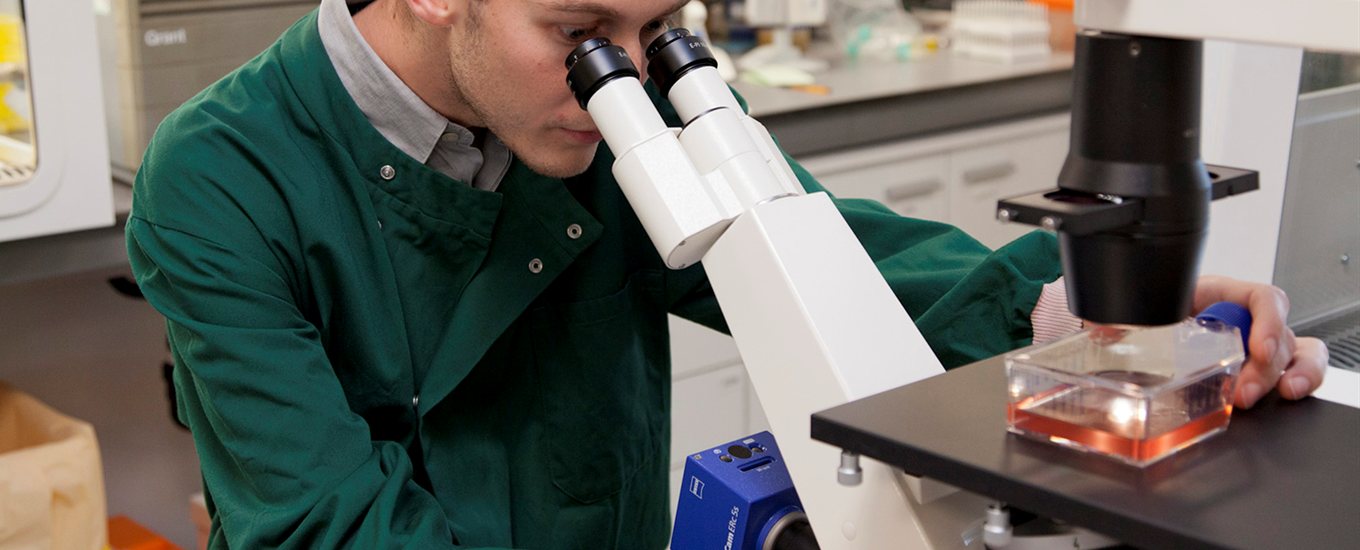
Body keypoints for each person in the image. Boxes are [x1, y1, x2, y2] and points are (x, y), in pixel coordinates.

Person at [124, 0, 1329, 547]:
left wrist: (1090, 313)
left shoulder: (597, 113)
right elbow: (325, 522)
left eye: (656, 38)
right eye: (580, 33)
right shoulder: (222, 176)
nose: (628, 81)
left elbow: (813, 244)